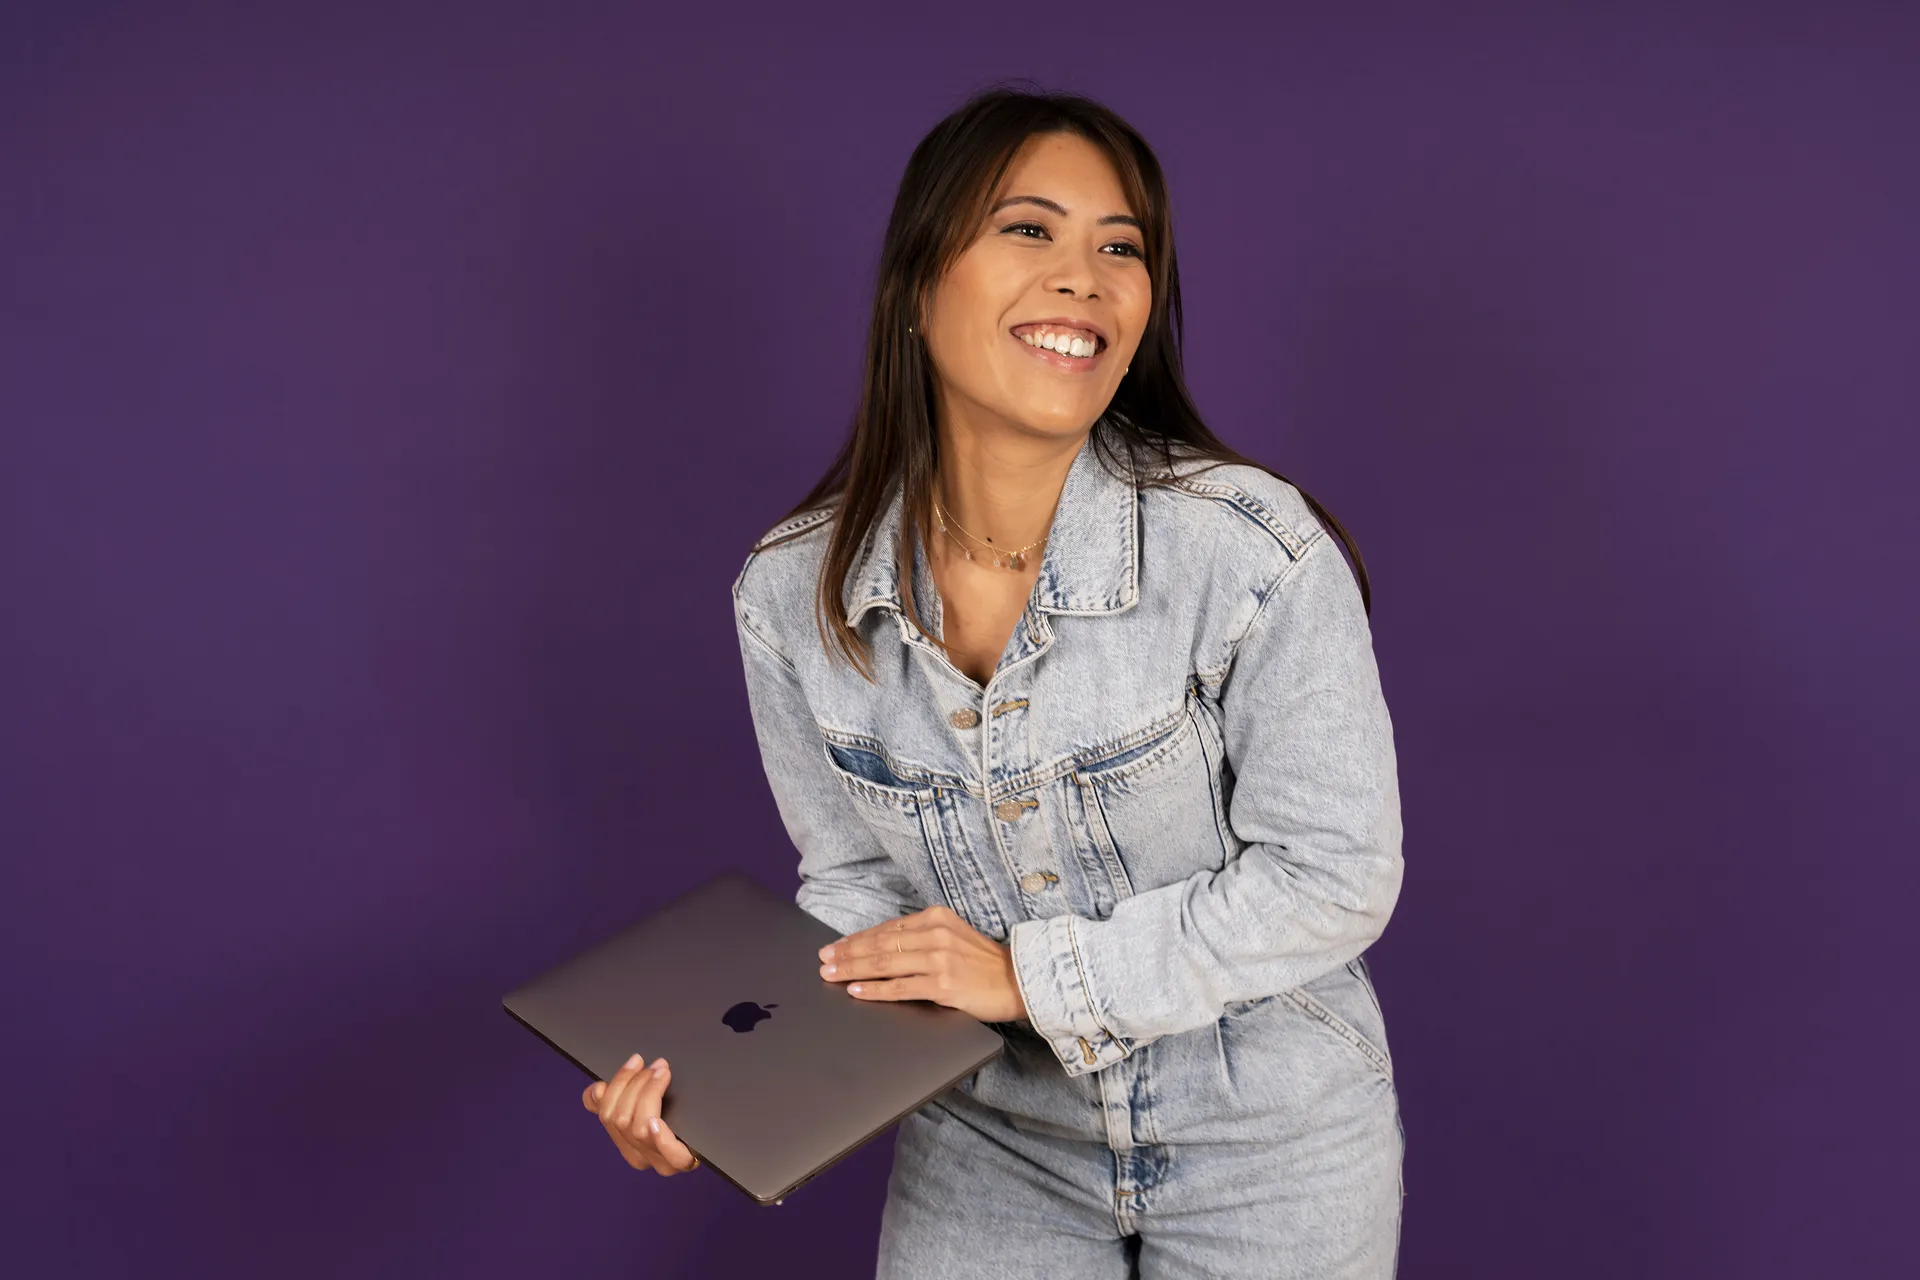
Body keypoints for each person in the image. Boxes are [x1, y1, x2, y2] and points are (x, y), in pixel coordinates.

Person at [583, 85, 1406, 1278]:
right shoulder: (791, 592)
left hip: (1270, 1138)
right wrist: (719, 1094)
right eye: (1030, 229)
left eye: (1120, 247)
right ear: (918, 285)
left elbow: (1334, 875)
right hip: (991, 1141)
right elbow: (859, 887)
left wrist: (1031, 973)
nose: (1086, 276)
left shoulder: (1249, 549)